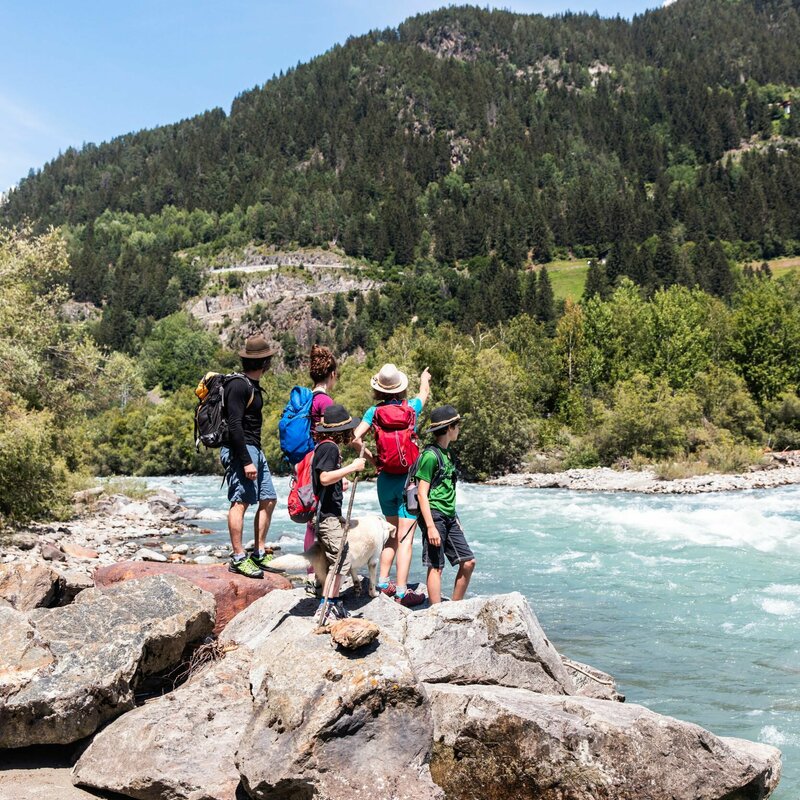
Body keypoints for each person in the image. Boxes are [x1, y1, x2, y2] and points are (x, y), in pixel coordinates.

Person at [352, 363, 430, 606]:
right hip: (409, 481)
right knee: (406, 537)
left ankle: (383, 583)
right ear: (400, 387)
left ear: (379, 390)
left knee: (391, 534)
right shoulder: (412, 409)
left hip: (385, 479)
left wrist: (372, 458)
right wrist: (425, 377)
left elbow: (355, 438)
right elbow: (424, 394)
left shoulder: (373, 413)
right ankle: (403, 591)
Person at [220, 334, 279, 579]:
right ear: (264, 362)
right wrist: (245, 460)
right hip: (241, 450)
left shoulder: (251, 385)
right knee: (240, 502)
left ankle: (259, 551)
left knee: (268, 499)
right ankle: (238, 557)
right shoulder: (238, 385)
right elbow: (234, 425)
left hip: (255, 449)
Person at [415, 405, 475, 604]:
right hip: (434, 516)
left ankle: (454, 608)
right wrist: (430, 526)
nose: (459, 430)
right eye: (457, 426)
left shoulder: (447, 454)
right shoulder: (430, 456)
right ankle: (436, 613)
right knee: (436, 566)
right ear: (449, 428)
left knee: (468, 562)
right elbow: (422, 494)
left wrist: (455, 517)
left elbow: (447, 489)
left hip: (449, 517)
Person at [312, 404, 366, 623]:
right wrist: (352, 468)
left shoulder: (324, 446)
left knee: (337, 559)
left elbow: (325, 480)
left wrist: (340, 481)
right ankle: (328, 606)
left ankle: (331, 603)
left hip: (326, 515)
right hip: (328, 518)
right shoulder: (330, 448)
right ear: (341, 430)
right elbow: (324, 478)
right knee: (341, 560)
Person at [304, 345, 337, 591]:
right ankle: (315, 575)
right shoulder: (325, 401)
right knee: (320, 519)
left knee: (312, 518)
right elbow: (331, 434)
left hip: (305, 461)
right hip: (320, 462)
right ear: (332, 374)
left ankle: (311, 572)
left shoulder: (307, 398)